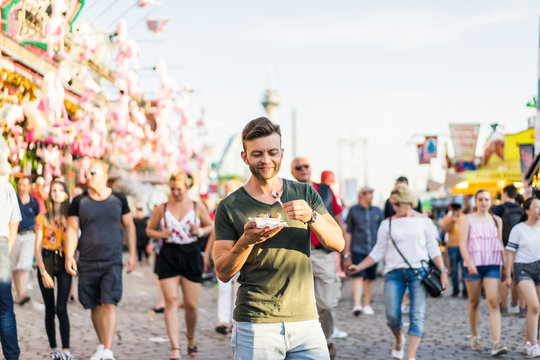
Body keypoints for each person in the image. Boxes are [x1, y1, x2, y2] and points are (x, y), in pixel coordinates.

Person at [213, 117, 344, 360]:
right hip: (256, 324)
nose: (266, 160)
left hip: (306, 322)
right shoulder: (229, 206)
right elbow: (222, 271)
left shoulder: (305, 193)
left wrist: (312, 216)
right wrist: (246, 241)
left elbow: (338, 242)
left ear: (282, 153)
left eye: (272, 152)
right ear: (245, 157)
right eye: (257, 154)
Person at [349, 184, 448, 360]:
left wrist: (442, 271)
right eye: (392, 204)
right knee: (392, 316)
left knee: (417, 316)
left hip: (419, 273)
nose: (393, 208)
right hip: (394, 274)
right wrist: (359, 266)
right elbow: (378, 251)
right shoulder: (387, 223)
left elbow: (434, 249)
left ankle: (410, 356)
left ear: (408, 202)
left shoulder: (424, 222)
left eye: (397, 204)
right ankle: (398, 339)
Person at [64, 159, 137, 360]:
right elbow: (71, 228)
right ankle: (102, 344)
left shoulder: (119, 199)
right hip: (87, 261)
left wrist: (132, 254)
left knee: (109, 303)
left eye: (92, 172)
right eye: (87, 173)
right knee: (94, 305)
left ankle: (108, 350)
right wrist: (69, 255)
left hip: (112, 260)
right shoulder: (79, 201)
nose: (88, 176)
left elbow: (129, 225)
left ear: (105, 175)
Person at [146, 171, 214, 360]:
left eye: (179, 189)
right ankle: (175, 347)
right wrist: (161, 234)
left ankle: (190, 339)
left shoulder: (196, 206)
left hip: (191, 253)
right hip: (168, 254)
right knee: (171, 301)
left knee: (191, 305)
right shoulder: (162, 208)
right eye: (172, 188)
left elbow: (211, 226)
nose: (175, 192)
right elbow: (149, 229)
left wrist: (199, 231)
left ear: (186, 188)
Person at [290, 156, 347, 358]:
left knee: (326, 304)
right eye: (298, 167)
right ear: (292, 171)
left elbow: (338, 221)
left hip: (322, 253)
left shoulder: (324, 190)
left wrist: (344, 252)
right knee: (299, 303)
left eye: (306, 166)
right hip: (297, 254)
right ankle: (307, 345)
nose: (303, 169)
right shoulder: (288, 192)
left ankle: (327, 338)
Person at [459, 189, 507, 356]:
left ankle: (496, 342)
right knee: (474, 301)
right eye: (481, 199)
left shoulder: (497, 220)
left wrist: (506, 267)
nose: (484, 203)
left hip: (493, 264)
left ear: (491, 201)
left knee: (494, 302)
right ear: (476, 201)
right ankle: (475, 335)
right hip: (474, 265)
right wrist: (470, 263)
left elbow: (500, 243)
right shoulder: (468, 219)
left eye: (487, 199)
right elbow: (462, 244)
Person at [34, 180, 73, 360]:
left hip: (64, 260)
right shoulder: (43, 217)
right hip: (47, 260)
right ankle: (54, 348)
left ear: (66, 194)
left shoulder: (71, 218)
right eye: (53, 190)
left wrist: (68, 222)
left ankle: (66, 349)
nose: (56, 193)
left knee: (61, 308)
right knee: (50, 309)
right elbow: (37, 247)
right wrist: (42, 271)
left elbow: (75, 241)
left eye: (60, 190)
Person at [203, 179, 243, 336]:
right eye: (227, 190)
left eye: (232, 190)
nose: (229, 193)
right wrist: (207, 254)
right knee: (223, 288)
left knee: (238, 289)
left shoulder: (245, 207)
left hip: (240, 254)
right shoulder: (222, 207)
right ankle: (222, 320)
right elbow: (214, 233)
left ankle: (235, 321)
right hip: (222, 254)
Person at [505, 197, 540, 357]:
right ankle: (534, 344)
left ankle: (526, 341)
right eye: (536, 206)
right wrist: (508, 276)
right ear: (527, 210)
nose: (539, 209)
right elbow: (510, 254)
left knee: (537, 308)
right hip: (523, 268)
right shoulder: (518, 229)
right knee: (533, 306)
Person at [345, 186, 383, 316]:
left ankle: (367, 304)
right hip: (357, 248)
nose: (371, 196)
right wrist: (347, 251)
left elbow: (382, 232)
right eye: (369, 193)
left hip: (373, 250)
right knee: (358, 275)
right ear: (362, 195)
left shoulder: (378, 211)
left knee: (370, 278)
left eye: (372, 193)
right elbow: (349, 231)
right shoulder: (353, 210)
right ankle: (357, 305)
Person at [0, 150, 21, 360]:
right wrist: (8, 247)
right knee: (5, 307)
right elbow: (14, 223)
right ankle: (12, 356)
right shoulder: (7, 187)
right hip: (2, 245)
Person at [494, 184, 524, 314]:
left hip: (504, 246)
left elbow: (494, 228)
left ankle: (504, 306)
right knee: (517, 277)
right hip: (519, 247)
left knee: (505, 277)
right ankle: (518, 306)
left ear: (505, 193)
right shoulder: (522, 209)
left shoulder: (500, 209)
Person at [11, 175, 39, 305]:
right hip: (15, 234)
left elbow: (37, 219)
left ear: (29, 186)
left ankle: (21, 294)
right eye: (20, 184)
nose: (21, 187)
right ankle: (19, 293)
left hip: (29, 234)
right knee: (15, 266)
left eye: (24, 184)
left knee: (25, 265)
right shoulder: (13, 199)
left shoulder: (34, 202)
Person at [440, 202, 467, 297]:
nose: (457, 211)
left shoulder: (465, 218)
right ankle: (455, 290)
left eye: (458, 208)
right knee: (454, 269)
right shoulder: (447, 218)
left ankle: (465, 290)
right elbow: (443, 231)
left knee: (465, 269)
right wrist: (452, 221)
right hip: (452, 246)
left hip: (464, 246)